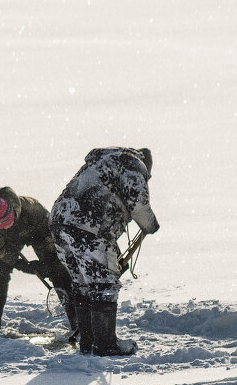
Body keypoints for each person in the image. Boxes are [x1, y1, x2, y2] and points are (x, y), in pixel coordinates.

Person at [49, 147, 159, 356]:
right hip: (89, 226)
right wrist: (151, 225)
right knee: (103, 284)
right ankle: (106, 344)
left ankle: (88, 341)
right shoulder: (134, 166)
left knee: (82, 282)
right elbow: (139, 204)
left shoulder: (102, 161)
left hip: (59, 222)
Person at [0, 187, 77, 339]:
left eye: (7, 222)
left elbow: (52, 238)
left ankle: (77, 319)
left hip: (38, 233)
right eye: (1, 225)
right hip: (11, 241)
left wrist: (45, 265)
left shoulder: (33, 210)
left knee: (57, 270)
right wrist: (19, 264)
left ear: (14, 211)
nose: (6, 226)